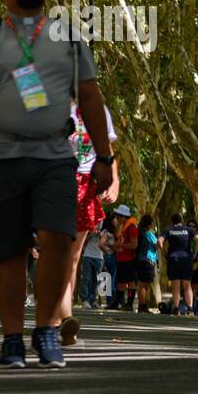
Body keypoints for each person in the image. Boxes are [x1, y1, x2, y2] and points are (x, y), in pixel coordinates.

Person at [0, 0, 113, 368]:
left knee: (58, 241)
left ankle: (47, 331)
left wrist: (106, 159)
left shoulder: (68, 38)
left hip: (55, 156)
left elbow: (90, 97)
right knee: (9, 252)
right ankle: (12, 339)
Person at [54, 102, 118, 344]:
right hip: (55, 179)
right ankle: (55, 317)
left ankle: (64, 318)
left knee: (72, 256)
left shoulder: (96, 107)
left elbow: (107, 148)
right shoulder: (46, 97)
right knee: (56, 251)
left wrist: (114, 181)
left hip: (85, 184)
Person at [162, 213, 195, 315]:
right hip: (186, 259)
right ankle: (190, 309)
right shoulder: (189, 230)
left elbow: (159, 242)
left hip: (173, 259)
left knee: (175, 285)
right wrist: (194, 253)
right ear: (182, 220)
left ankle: (176, 309)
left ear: (172, 221)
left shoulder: (168, 229)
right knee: (187, 285)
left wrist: (165, 253)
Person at [114, 204, 139, 310]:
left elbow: (134, 245)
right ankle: (116, 303)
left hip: (129, 259)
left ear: (124, 216)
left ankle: (129, 304)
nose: (117, 218)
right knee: (121, 282)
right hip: (122, 259)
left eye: (118, 216)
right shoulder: (124, 227)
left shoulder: (132, 228)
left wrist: (120, 245)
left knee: (130, 282)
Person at [79, 218, 103, 308]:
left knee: (96, 280)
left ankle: (93, 300)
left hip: (99, 257)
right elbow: (82, 242)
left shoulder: (105, 228)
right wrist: (91, 234)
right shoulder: (88, 225)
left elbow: (107, 242)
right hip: (88, 255)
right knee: (86, 278)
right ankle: (84, 300)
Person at [136, 214, 158, 313]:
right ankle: (142, 305)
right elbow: (158, 244)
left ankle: (142, 305)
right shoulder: (148, 234)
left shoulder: (140, 233)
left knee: (143, 284)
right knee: (145, 284)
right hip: (148, 261)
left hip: (141, 260)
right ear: (150, 224)